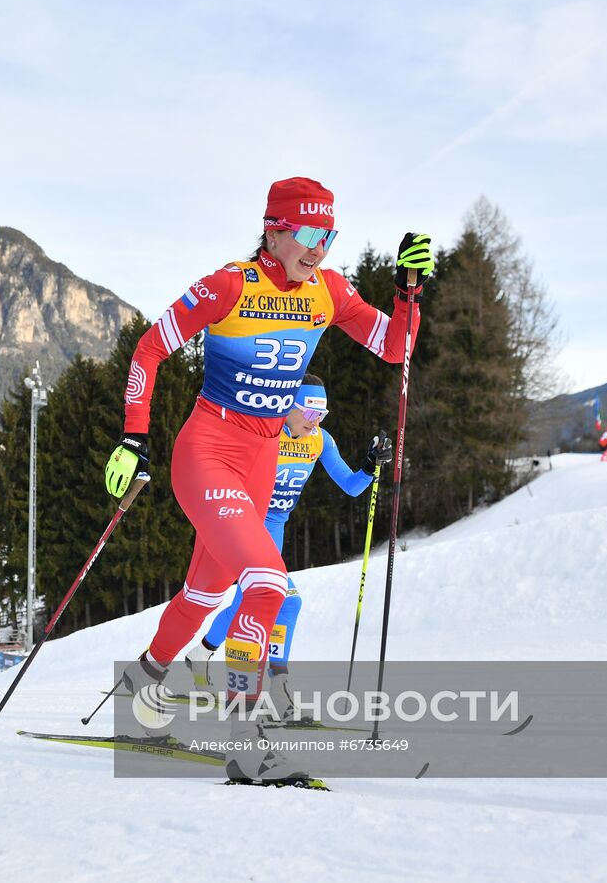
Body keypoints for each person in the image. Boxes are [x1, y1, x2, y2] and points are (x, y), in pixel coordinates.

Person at [104, 177, 430, 778]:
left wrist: (407, 291)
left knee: (203, 594)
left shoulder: (329, 291)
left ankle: (142, 683)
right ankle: (245, 739)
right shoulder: (230, 283)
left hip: (261, 458)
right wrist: (133, 435)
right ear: (275, 230)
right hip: (208, 450)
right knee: (267, 584)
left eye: (329, 234)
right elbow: (149, 348)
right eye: (308, 233)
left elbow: (394, 346)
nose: (320, 247)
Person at [183, 376, 385, 713]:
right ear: (288, 406)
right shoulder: (263, 432)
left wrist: (368, 466)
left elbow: (351, 486)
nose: (315, 420)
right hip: (243, 523)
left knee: (254, 599)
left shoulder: (320, 440)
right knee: (284, 601)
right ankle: (277, 683)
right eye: (309, 411)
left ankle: (201, 654)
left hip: (274, 528)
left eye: (322, 413)